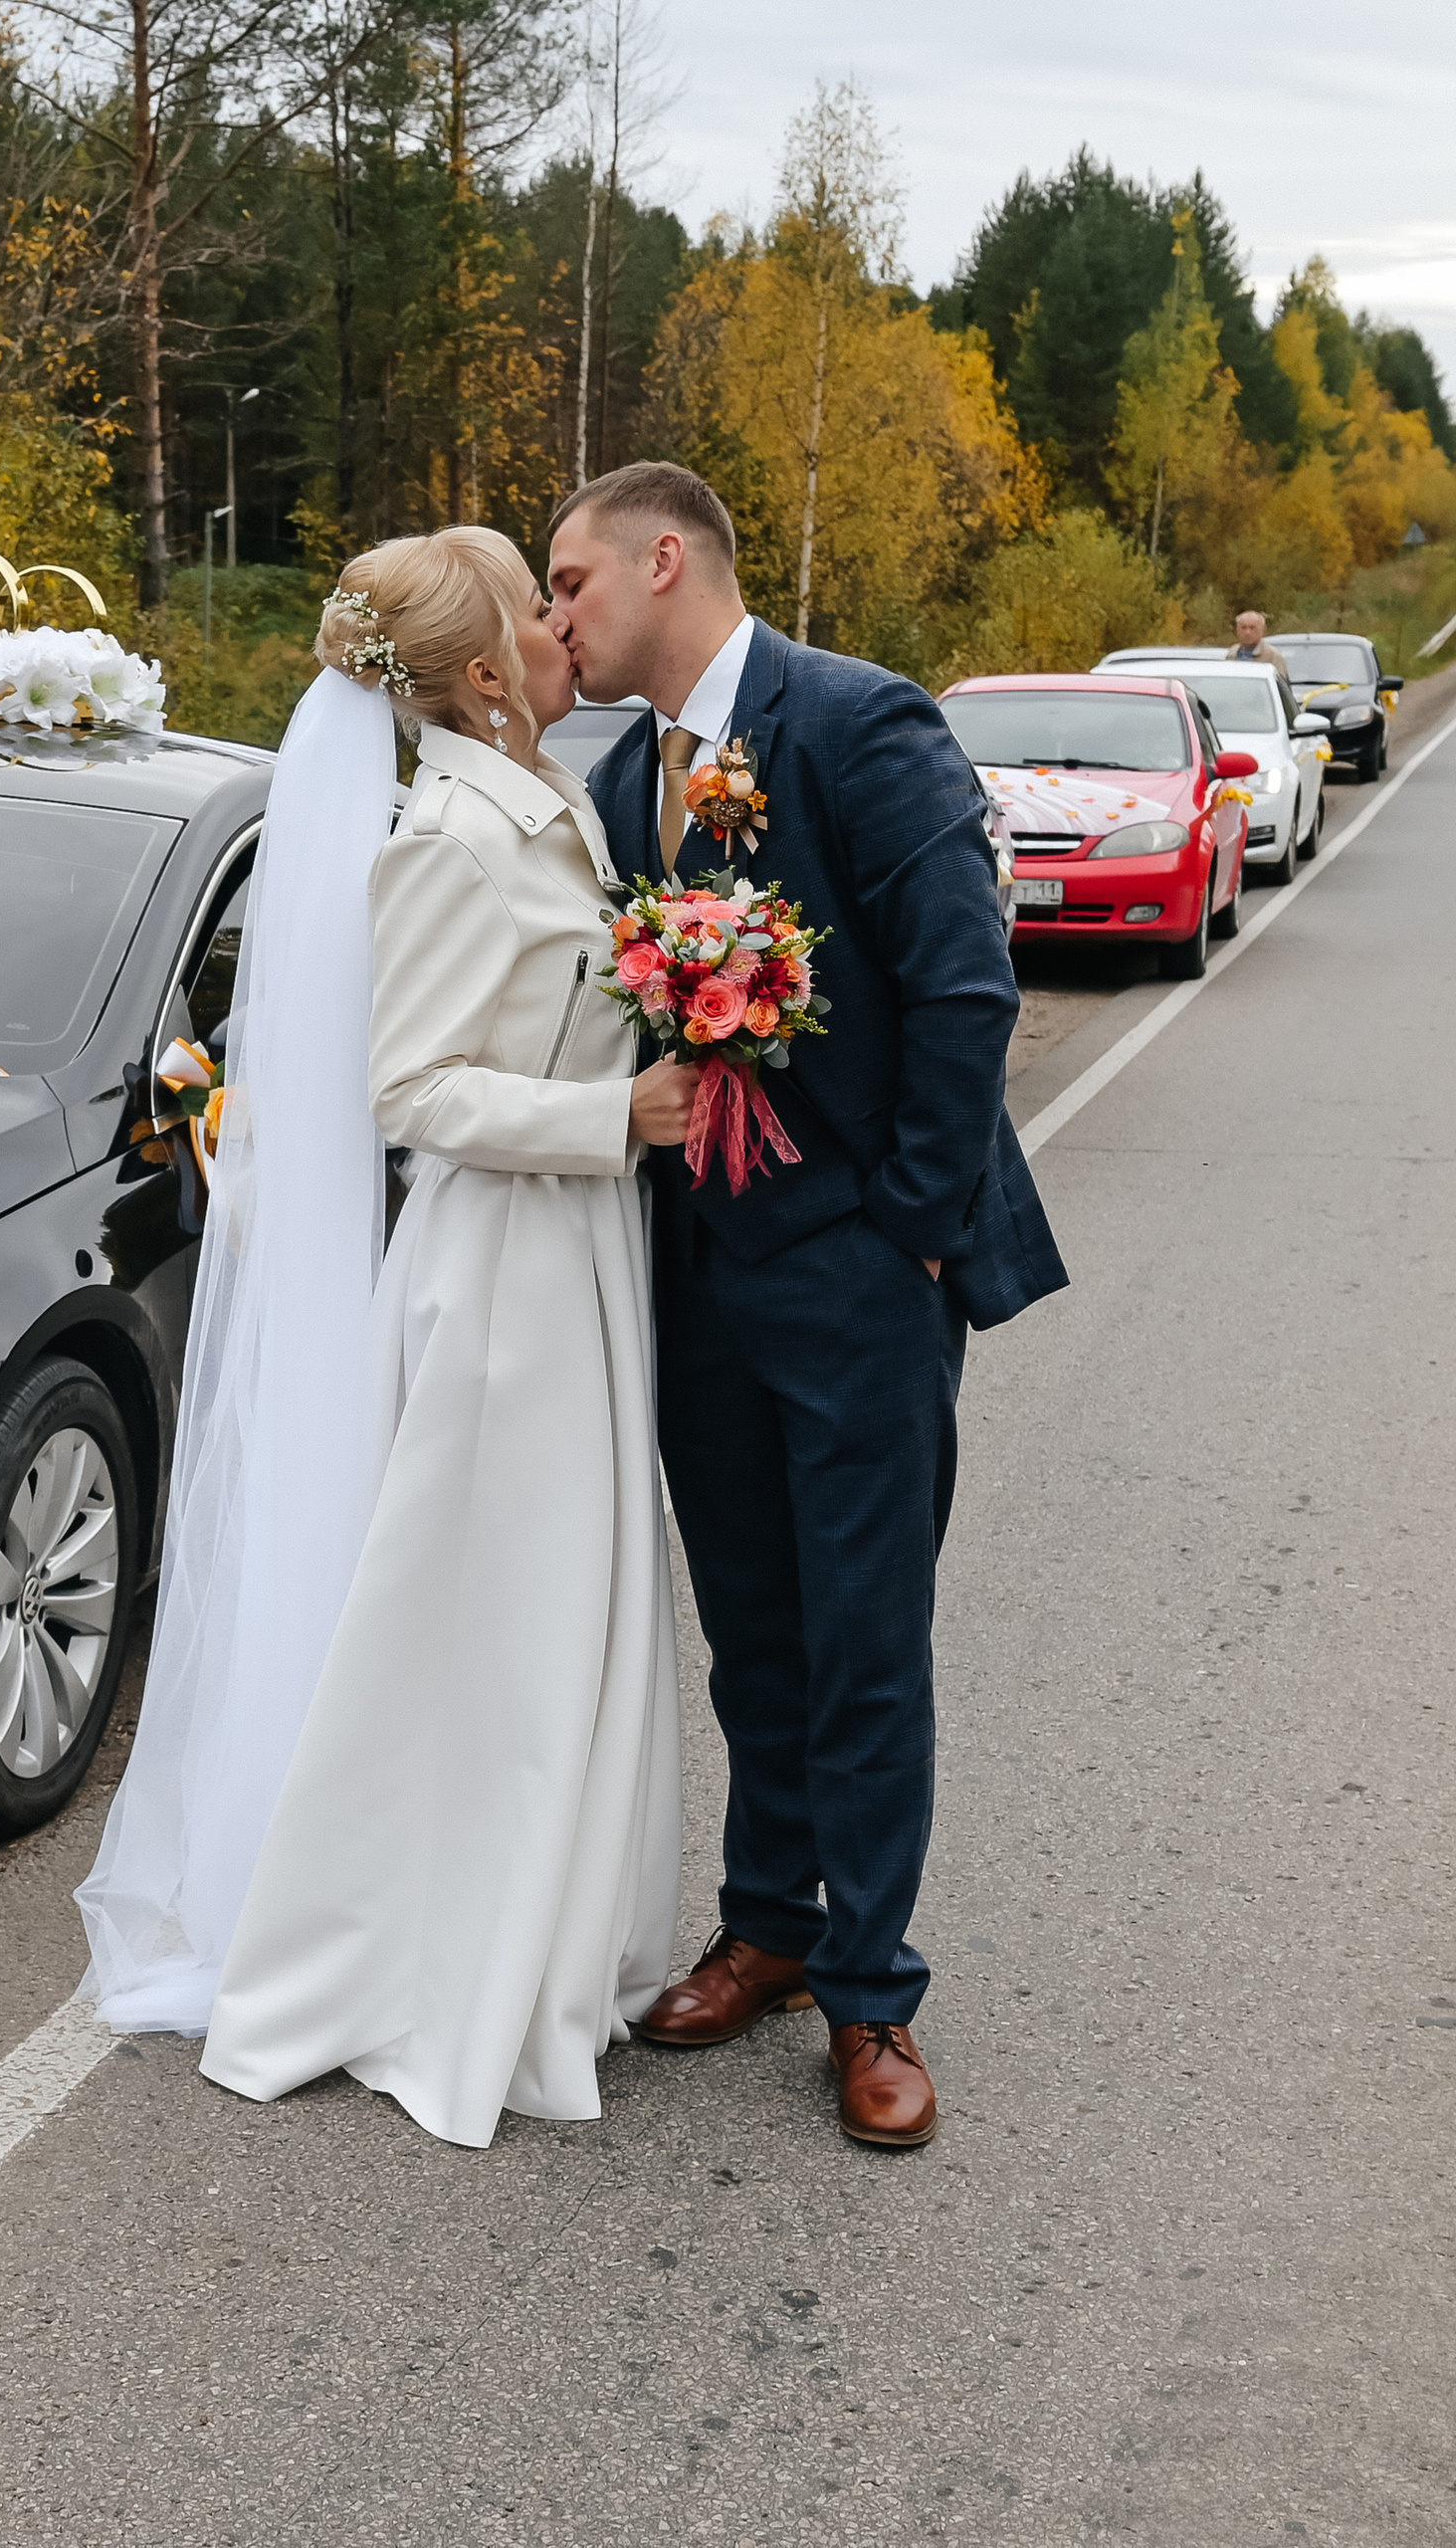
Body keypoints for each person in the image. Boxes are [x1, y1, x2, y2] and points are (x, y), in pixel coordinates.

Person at [76, 525, 702, 2148]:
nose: (572, 627)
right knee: (493, 1628)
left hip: (576, 1254)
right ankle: (418, 1961)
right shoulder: (446, 835)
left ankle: (547, 1936)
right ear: (488, 676)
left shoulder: (552, 798)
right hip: (501, 1271)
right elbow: (407, 1089)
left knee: (554, 1616)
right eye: (538, 609)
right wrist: (612, 1110)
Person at [547, 462, 1068, 2149]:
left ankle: (873, 1992)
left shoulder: (860, 721)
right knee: (755, 1626)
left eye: (573, 583)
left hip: (856, 1262)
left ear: (664, 556)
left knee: (862, 1636)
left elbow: (964, 977)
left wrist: (911, 1229)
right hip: (700, 1274)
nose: (559, 617)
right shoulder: (630, 775)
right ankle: (767, 1920)